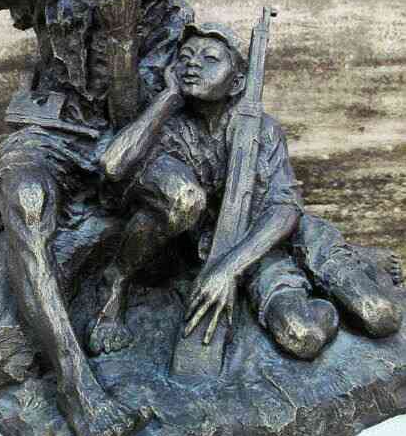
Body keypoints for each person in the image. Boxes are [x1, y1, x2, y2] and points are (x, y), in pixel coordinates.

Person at [0, 0, 210, 436]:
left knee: (184, 199)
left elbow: (129, 118)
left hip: (114, 138)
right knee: (26, 203)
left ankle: (116, 284)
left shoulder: (172, 13)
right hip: (47, 131)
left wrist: (123, 35)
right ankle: (75, 384)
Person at [89, 22, 402, 361]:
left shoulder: (260, 128)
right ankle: (332, 288)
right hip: (248, 252)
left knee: (380, 316)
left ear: (237, 82)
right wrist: (167, 97)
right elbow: (113, 165)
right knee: (304, 337)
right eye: (186, 57)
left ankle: (347, 266)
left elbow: (285, 208)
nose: (193, 64)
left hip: (288, 237)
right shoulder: (168, 128)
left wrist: (227, 271)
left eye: (210, 59)